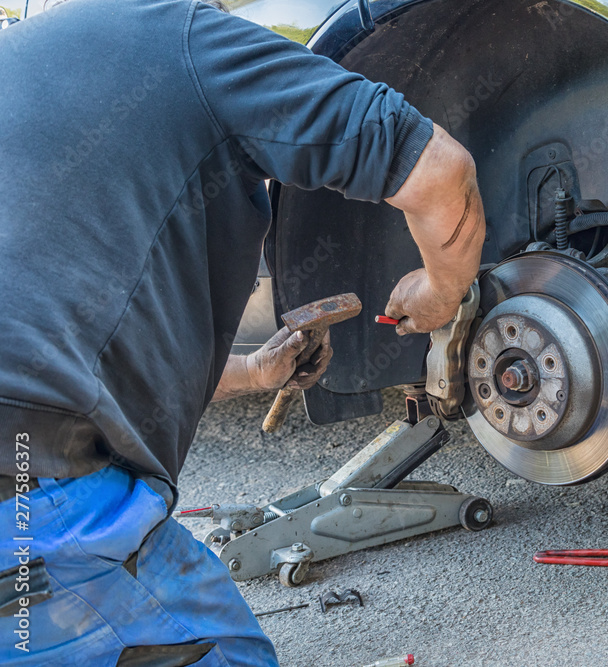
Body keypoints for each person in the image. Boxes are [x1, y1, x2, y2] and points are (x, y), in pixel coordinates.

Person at [0, 0, 486, 664]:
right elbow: (441, 172)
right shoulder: (186, 40)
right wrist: (440, 292)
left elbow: (76, 356)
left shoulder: (27, 59)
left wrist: (259, 372)